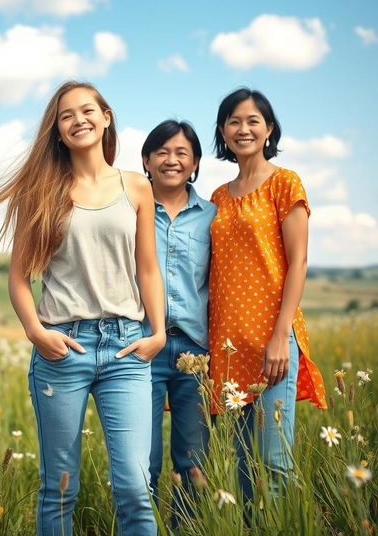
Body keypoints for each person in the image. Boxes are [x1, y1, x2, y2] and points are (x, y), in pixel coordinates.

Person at [0, 80, 165, 536]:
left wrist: (158, 333)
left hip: (127, 350)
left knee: (134, 485)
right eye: (66, 115)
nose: (79, 120)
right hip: (62, 349)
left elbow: (147, 268)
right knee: (60, 487)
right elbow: (18, 278)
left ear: (106, 117)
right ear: (56, 131)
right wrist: (36, 331)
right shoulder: (43, 192)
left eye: (87, 110)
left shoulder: (136, 187)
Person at [208, 88, 327, 504]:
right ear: (222, 131)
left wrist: (280, 337)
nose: (243, 129)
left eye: (252, 121)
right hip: (227, 345)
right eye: (234, 121)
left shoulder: (284, 182)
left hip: (271, 341)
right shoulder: (218, 197)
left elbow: (299, 261)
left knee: (274, 462)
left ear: (269, 129)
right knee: (241, 467)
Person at [140, 120, 216, 524]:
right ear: (146, 160)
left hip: (194, 350)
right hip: (140, 346)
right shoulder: (129, 209)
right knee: (141, 463)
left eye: (182, 153)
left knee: (193, 461)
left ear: (196, 163)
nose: (172, 160)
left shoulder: (212, 216)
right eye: (162, 152)